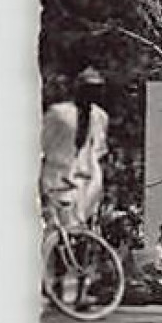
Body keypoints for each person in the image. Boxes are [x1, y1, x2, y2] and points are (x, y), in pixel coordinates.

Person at [40, 67, 110, 229]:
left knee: (81, 231)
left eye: (96, 89)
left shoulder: (100, 117)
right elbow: (40, 145)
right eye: (88, 88)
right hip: (57, 178)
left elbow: (100, 151)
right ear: (78, 89)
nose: (92, 94)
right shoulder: (59, 114)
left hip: (86, 182)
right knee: (55, 231)